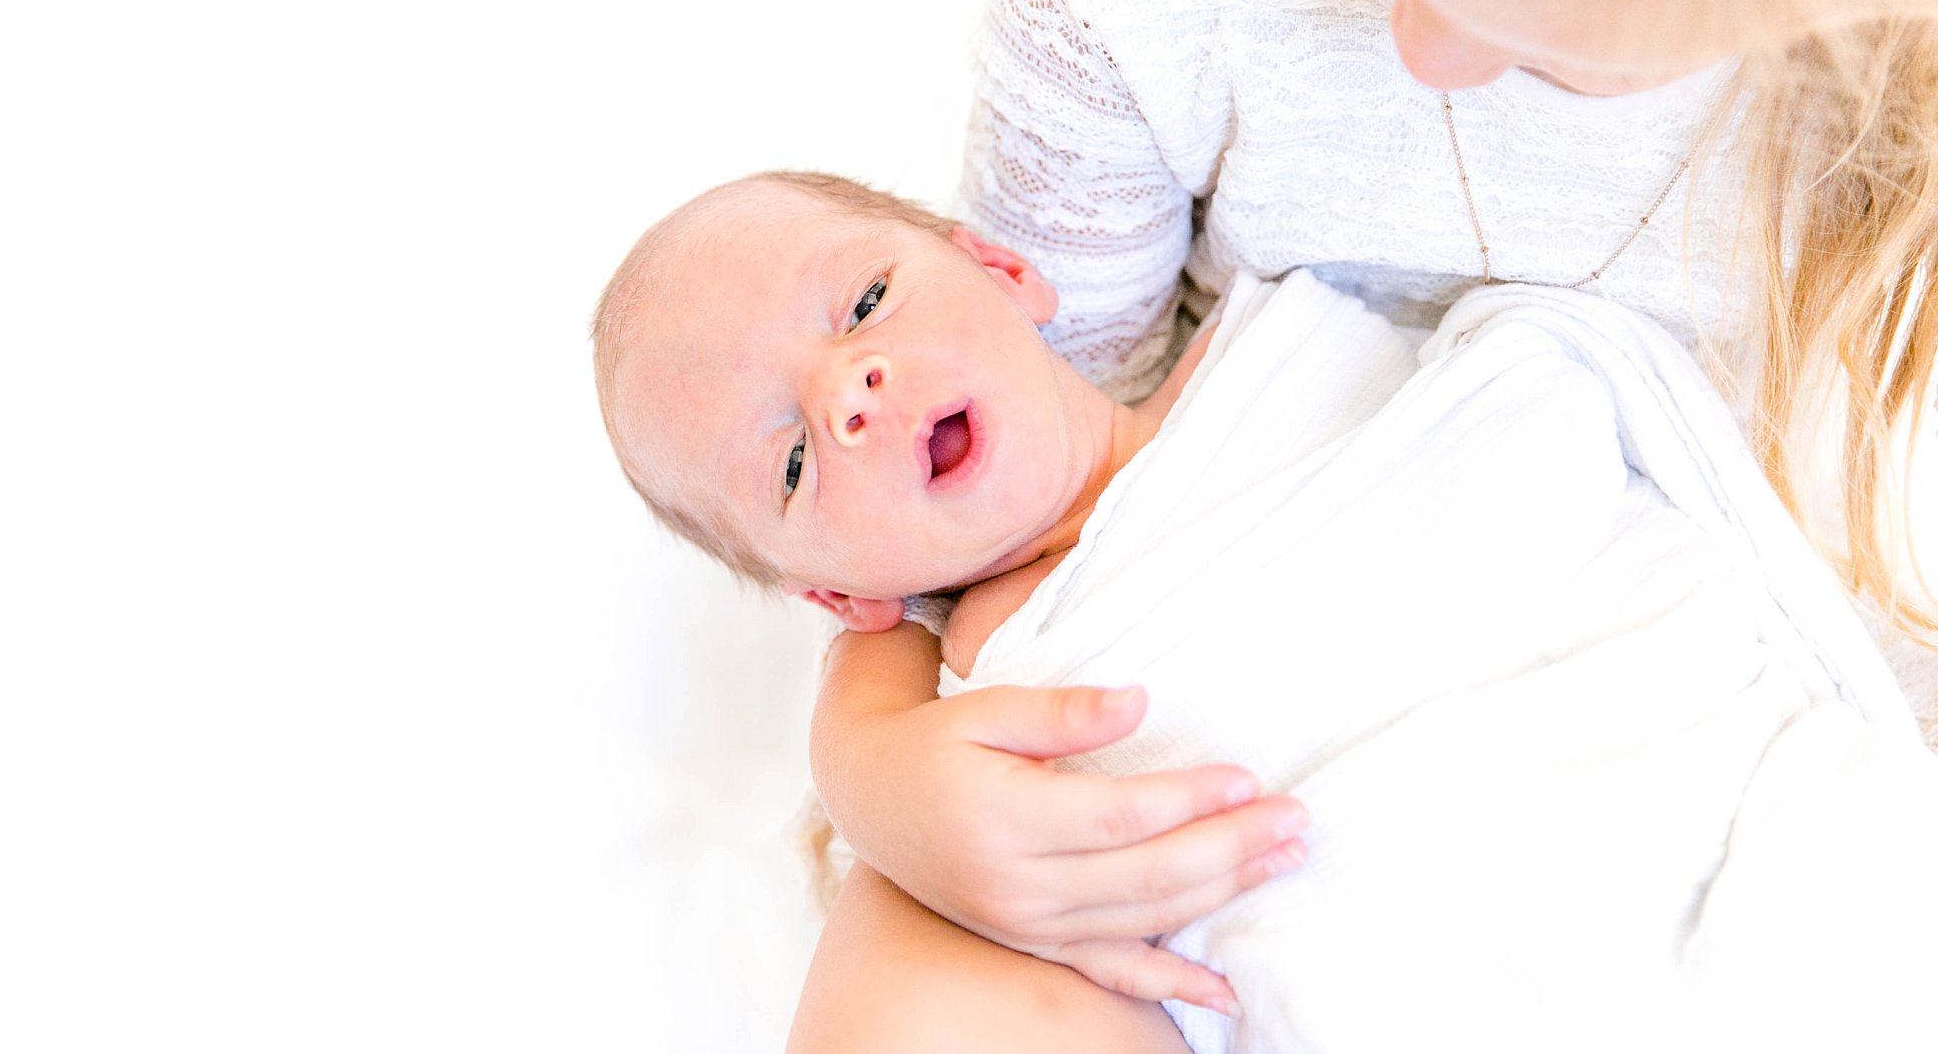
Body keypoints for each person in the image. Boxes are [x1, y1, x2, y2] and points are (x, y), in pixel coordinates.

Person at [796, 0, 1938, 1051]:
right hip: (1276, 701)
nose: (1423, 54)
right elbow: (1005, 462)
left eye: (1549, 34)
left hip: (1732, 721)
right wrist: (872, 767)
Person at [596, 170, 1938, 1054]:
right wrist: (868, 716)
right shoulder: (979, 715)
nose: (852, 390)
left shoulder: (1292, 326)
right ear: (839, 590)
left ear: (1003, 268)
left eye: (864, 300)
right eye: (791, 460)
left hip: (1740, 824)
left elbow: (1535, 438)